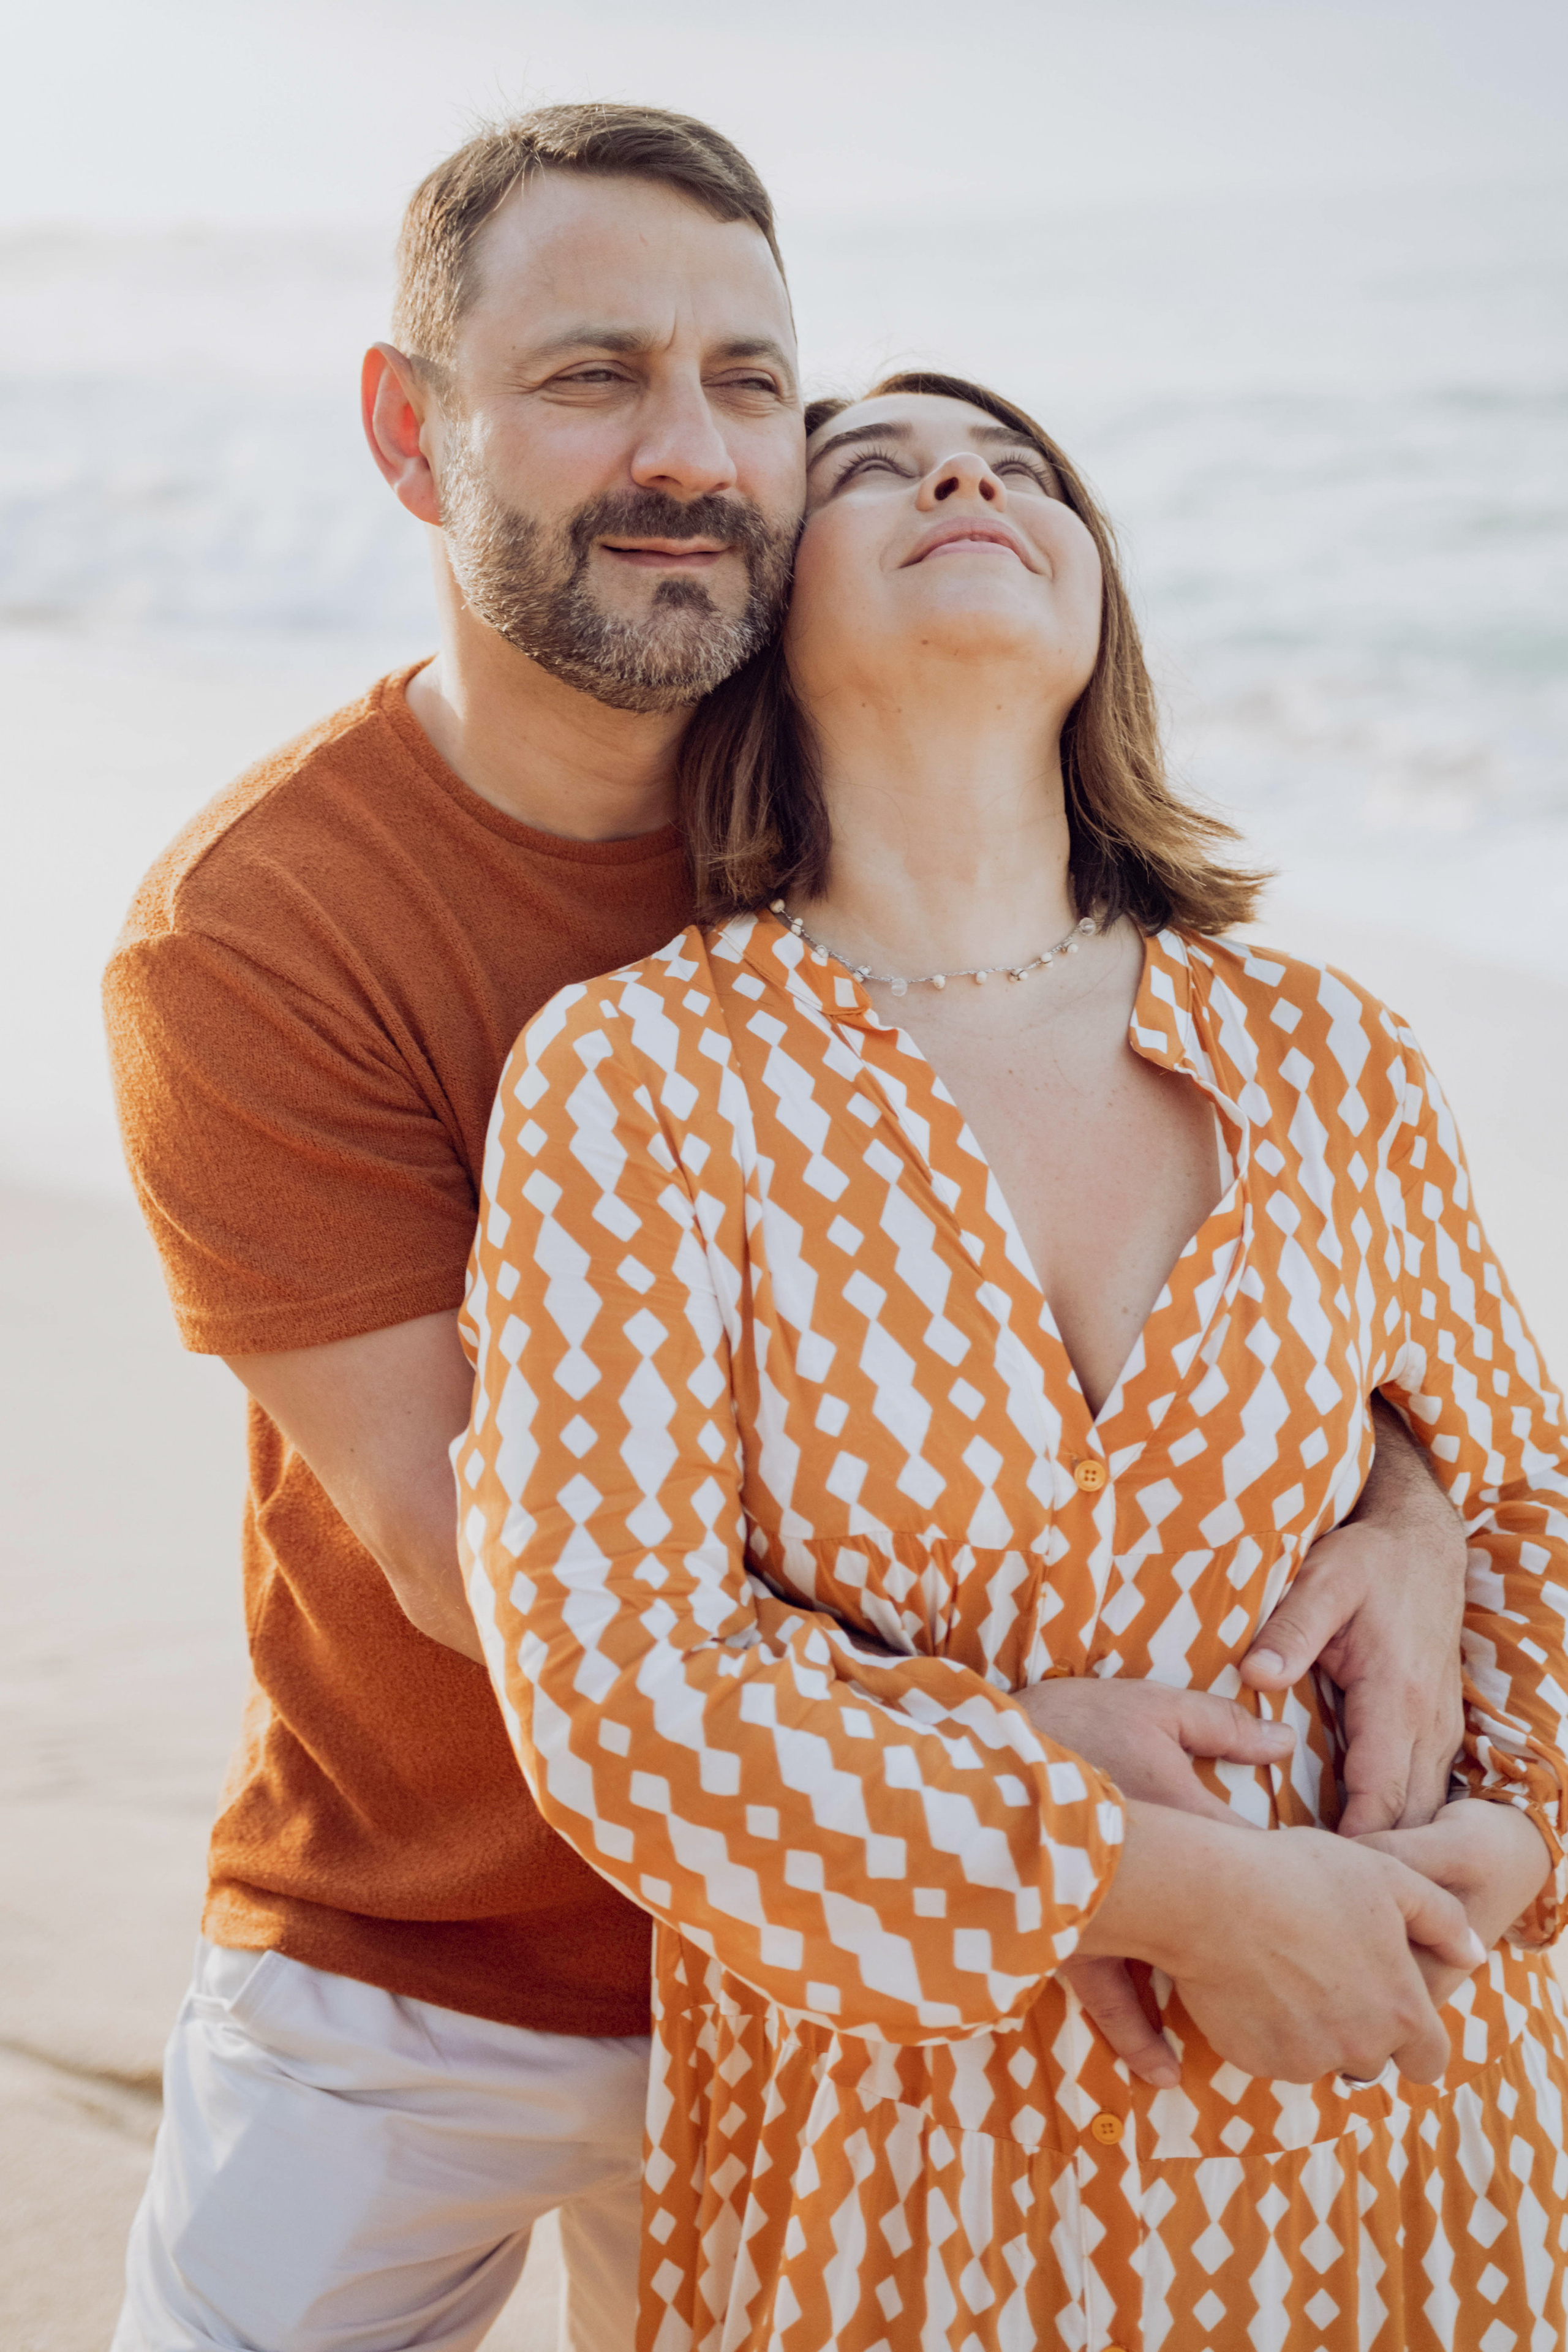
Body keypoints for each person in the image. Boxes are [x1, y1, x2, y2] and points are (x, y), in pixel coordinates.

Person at [105, 105, 1461, 2351]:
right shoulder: (255, 936)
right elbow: (489, 1566)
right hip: (428, 1970)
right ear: (407, 428)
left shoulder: (899, 786)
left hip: (879, 2007)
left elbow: (1253, 1269)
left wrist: (1405, 1499)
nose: (690, 450)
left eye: (753, 383)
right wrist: (1049, 1781)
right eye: (588, 374)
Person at [455, 373, 1568, 2350]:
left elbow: (1525, 1496)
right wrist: (1150, 1885)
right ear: (773, 615)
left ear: (1097, 606)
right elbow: (620, 1690)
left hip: (1402, 2106)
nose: (967, 475)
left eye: (1023, 468)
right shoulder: (639, 1083)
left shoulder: (1331, 1054)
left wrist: (1509, 1847)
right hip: (921, 2173)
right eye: (872, 470)